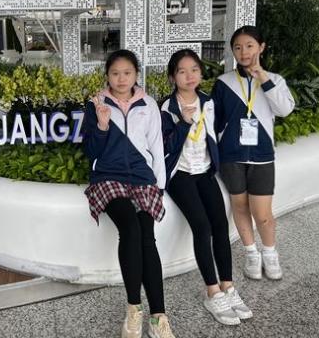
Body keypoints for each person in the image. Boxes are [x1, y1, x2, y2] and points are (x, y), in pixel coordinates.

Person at [83, 50, 174, 338]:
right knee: (131, 229)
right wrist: (102, 124)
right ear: (107, 76)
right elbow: (91, 151)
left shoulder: (148, 104)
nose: (121, 79)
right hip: (108, 177)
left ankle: (158, 317)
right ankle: (134, 309)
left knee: (147, 236)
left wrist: (159, 185)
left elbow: (156, 145)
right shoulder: (96, 104)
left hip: (142, 177)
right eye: (115, 73)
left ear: (136, 74)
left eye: (127, 73)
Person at [161, 49, 252, 325]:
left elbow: (217, 135)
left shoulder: (208, 103)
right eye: (182, 71)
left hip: (204, 172)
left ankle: (228, 286)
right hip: (180, 174)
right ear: (172, 77)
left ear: (201, 73)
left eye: (194, 70)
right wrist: (183, 123)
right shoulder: (166, 107)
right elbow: (164, 146)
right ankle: (212, 292)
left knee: (220, 225)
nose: (189, 76)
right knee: (201, 227)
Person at [211, 26, 295, 280]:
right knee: (239, 206)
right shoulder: (224, 83)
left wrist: (263, 79)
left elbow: (284, 110)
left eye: (249, 46)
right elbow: (214, 120)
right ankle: (251, 253)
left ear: (261, 47)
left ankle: (270, 253)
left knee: (262, 214)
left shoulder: (275, 80)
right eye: (238, 47)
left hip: (262, 155)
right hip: (231, 156)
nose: (243, 52)